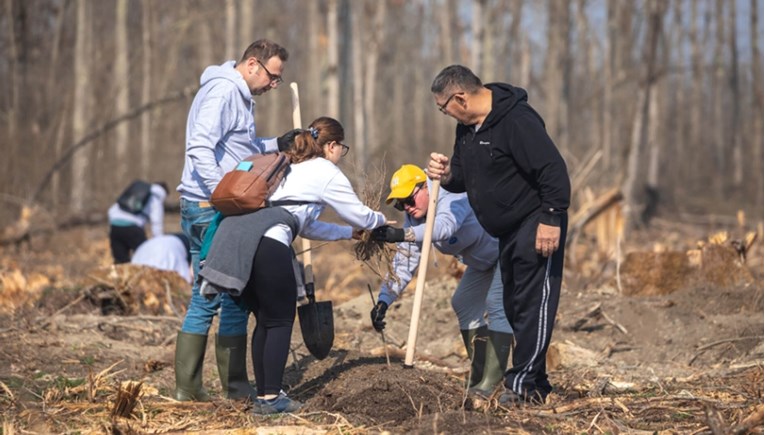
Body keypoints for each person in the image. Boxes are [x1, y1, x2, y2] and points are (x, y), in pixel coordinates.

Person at [199, 117, 391, 414]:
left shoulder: (287, 166)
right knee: (279, 319)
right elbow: (361, 215)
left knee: (265, 319)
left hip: (237, 239)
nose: (341, 153)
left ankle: (265, 396)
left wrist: (345, 233)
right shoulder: (326, 170)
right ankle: (272, 398)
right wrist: (379, 222)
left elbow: (305, 225)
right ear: (332, 146)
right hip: (267, 242)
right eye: (342, 147)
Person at [426, 65, 570, 405]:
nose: (444, 114)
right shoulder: (467, 131)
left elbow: (552, 169)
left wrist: (551, 217)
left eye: (443, 107)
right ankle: (535, 385)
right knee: (513, 304)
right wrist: (446, 174)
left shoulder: (517, 121)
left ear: (460, 98)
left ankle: (520, 384)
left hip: (535, 221)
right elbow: (462, 178)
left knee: (533, 304)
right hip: (505, 231)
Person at [175, 39, 297, 402]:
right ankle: (194, 388)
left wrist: (279, 142)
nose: (274, 86)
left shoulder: (239, 95)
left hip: (214, 204)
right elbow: (199, 147)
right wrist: (222, 194)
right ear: (253, 65)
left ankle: (233, 386)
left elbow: (239, 147)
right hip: (210, 206)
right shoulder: (224, 93)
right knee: (214, 295)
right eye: (273, 77)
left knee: (229, 293)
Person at [369, 164, 514, 397]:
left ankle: (493, 381)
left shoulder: (451, 194)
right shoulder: (414, 219)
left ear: (423, 188)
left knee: (496, 302)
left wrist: (400, 235)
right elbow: (404, 263)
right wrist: (384, 301)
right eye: (400, 204)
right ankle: (479, 378)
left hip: (508, 250)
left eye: (409, 199)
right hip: (483, 262)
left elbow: (444, 227)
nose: (406, 207)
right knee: (464, 303)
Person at [108, 181, 168, 264]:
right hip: (133, 229)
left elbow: (113, 209)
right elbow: (156, 223)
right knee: (146, 258)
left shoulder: (137, 190)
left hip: (115, 226)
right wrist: (159, 245)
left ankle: (119, 277)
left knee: (120, 263)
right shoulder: (156, 197)